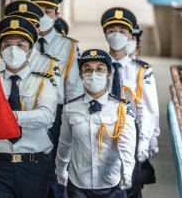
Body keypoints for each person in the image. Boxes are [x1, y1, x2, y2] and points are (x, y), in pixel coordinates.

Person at [0, 15, 58, 198]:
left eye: (20, 45)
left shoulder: (44, 82)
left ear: (30, 50)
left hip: (33, 165)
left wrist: (11, 116)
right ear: (0, 50)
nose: (13, 50)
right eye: (7, 45)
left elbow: (46, 116)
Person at [55, 49, 136, 198]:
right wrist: (60, 169)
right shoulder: (70, 108)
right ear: (81, 75)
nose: (93, 74)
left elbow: (127, 144)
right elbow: (65, 143)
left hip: (111, 182)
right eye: (88, 70)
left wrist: (127, 171)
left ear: (108, 74)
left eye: (99, 69)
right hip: (79, 184)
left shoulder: (121, 107)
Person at [27, 0, 83, 198]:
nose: (42, 14)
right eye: (37, 9)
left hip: (56, 112)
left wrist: (71, 119)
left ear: (57, 15)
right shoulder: (19, 42)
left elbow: (74, 87)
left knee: (52, 165)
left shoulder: (68, 46)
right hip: (24, 108)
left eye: (48, 10)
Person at [100, 7, 160, 198]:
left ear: (129, 35)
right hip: (101, 135)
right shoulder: (96, 65)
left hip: (130, 138)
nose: (116, 35)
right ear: (105, 34)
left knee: (131, 189)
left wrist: (145, 142)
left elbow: (148, 110)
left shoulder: (141, 70)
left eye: (122, 31)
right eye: (111, 31)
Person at [125, 24, 159, 197]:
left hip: (135, 133)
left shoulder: (142, 70)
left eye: (132, 38)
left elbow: (150, 108)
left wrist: (152, 139)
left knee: (133, 184)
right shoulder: (105, 66)